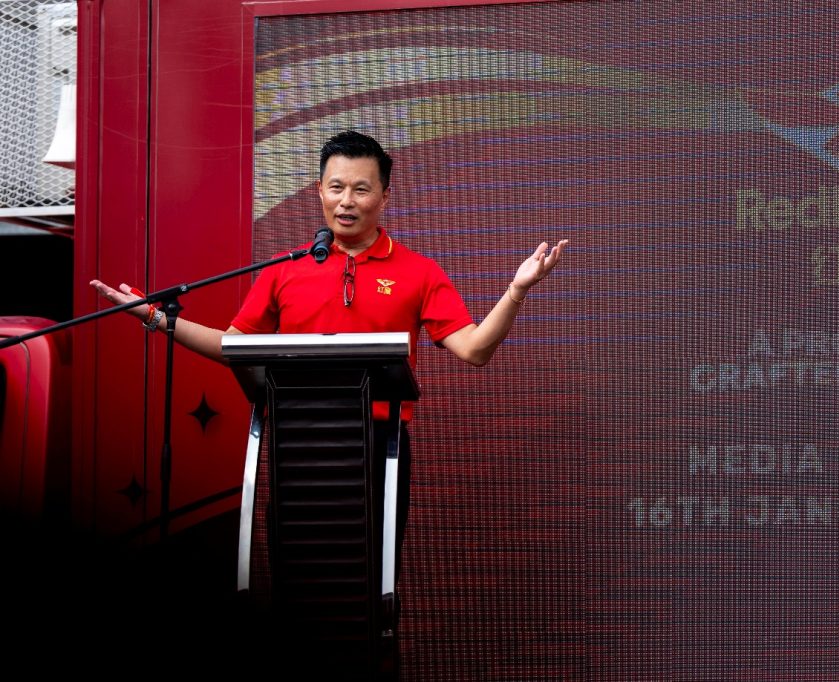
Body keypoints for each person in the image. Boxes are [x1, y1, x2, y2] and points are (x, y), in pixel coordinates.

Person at [89, 129, 568, 663]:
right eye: (336, 187)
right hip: (298, 445)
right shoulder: (285, 268)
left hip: (379, 447)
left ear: (384, 196)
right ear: (318, 190)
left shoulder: (418, 272)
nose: (347, 201)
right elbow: (233, 347)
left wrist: (516, 290)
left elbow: (475, 349)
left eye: (361, 189)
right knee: (297, 584)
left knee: (368, 584)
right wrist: (156, 318)